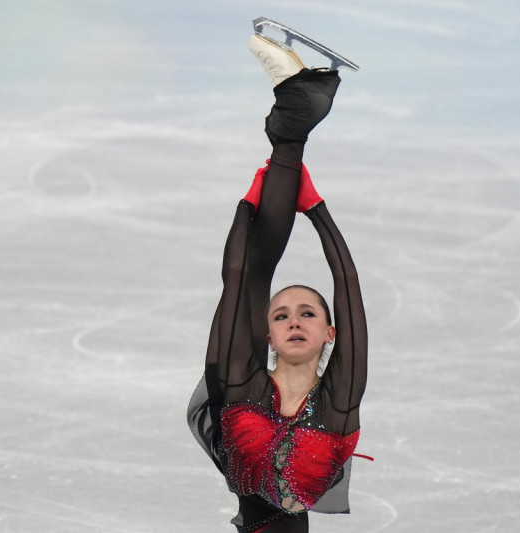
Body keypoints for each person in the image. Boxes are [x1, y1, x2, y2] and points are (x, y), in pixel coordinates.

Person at [187, 34, 369, 533]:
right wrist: (247, 212)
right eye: (282, 315)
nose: (293, 321)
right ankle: (295, 115)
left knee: (254, 278)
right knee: (250, 281)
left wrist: (317, 210)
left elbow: (346, 284)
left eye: (308, 313)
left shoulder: (338, 397)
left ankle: (297, 110)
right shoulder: (244, 385)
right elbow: (240, 278)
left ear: (330, 332)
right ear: (266, 335)